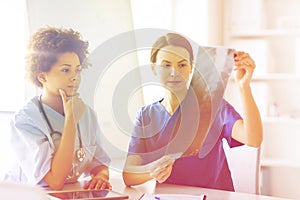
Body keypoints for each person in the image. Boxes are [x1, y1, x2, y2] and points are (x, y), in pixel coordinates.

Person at [122, 33, 263, 191]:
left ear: (191, 68)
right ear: (154, 69)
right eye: (166, 65)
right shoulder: (146, 116)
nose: (174, 72)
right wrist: (152, 170)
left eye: (182, 65)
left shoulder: (213, 107)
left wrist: (244, 87)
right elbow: (128, 175)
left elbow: (253, 138)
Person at [4, 26, 111, 190]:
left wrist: (101, 176)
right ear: (42, 76)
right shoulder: (25, 121)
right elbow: (55, 181)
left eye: (77, 70)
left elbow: (98, 163)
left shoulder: (86, 113)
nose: (75, 77)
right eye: (66, 70)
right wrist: (70, 122)